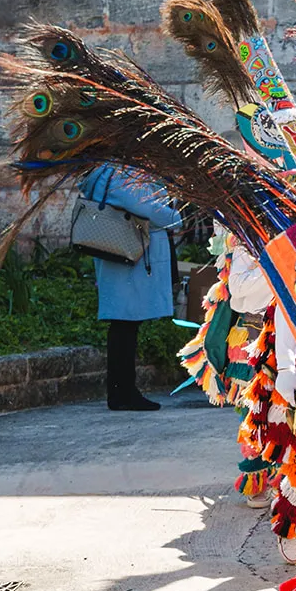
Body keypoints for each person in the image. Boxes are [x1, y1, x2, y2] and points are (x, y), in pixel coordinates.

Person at [82, 163, 180, 412]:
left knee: (125, 325)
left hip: (122, 255)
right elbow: (143, 206)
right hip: (127, 257)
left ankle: (122, 391)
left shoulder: (111, 171)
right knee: (125, 324)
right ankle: (123, 392)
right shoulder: (119, 173)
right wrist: (175, 217)